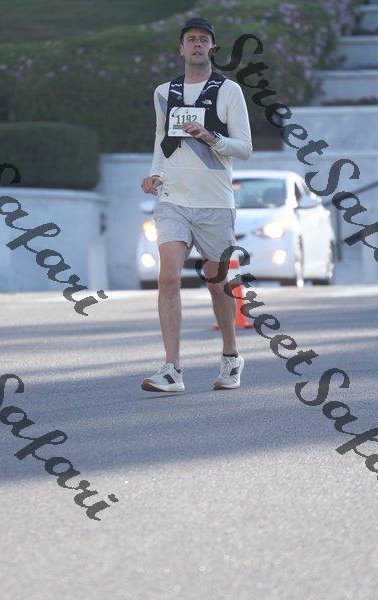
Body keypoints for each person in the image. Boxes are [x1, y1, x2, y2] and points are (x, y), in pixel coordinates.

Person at [140, 16, 252, 393]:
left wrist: (211, 137)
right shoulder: (164, 92)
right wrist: (154, 175)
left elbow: (245, 148)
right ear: (181, 48)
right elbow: (161, 140)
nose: (197, 44)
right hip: (173, 199)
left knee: (217, 284)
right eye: (191, 39)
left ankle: (231, 356)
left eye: (204, 39)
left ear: (212, 48)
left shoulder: (228, 90)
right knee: (168, 276)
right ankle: (171, 369)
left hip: (214, 202)